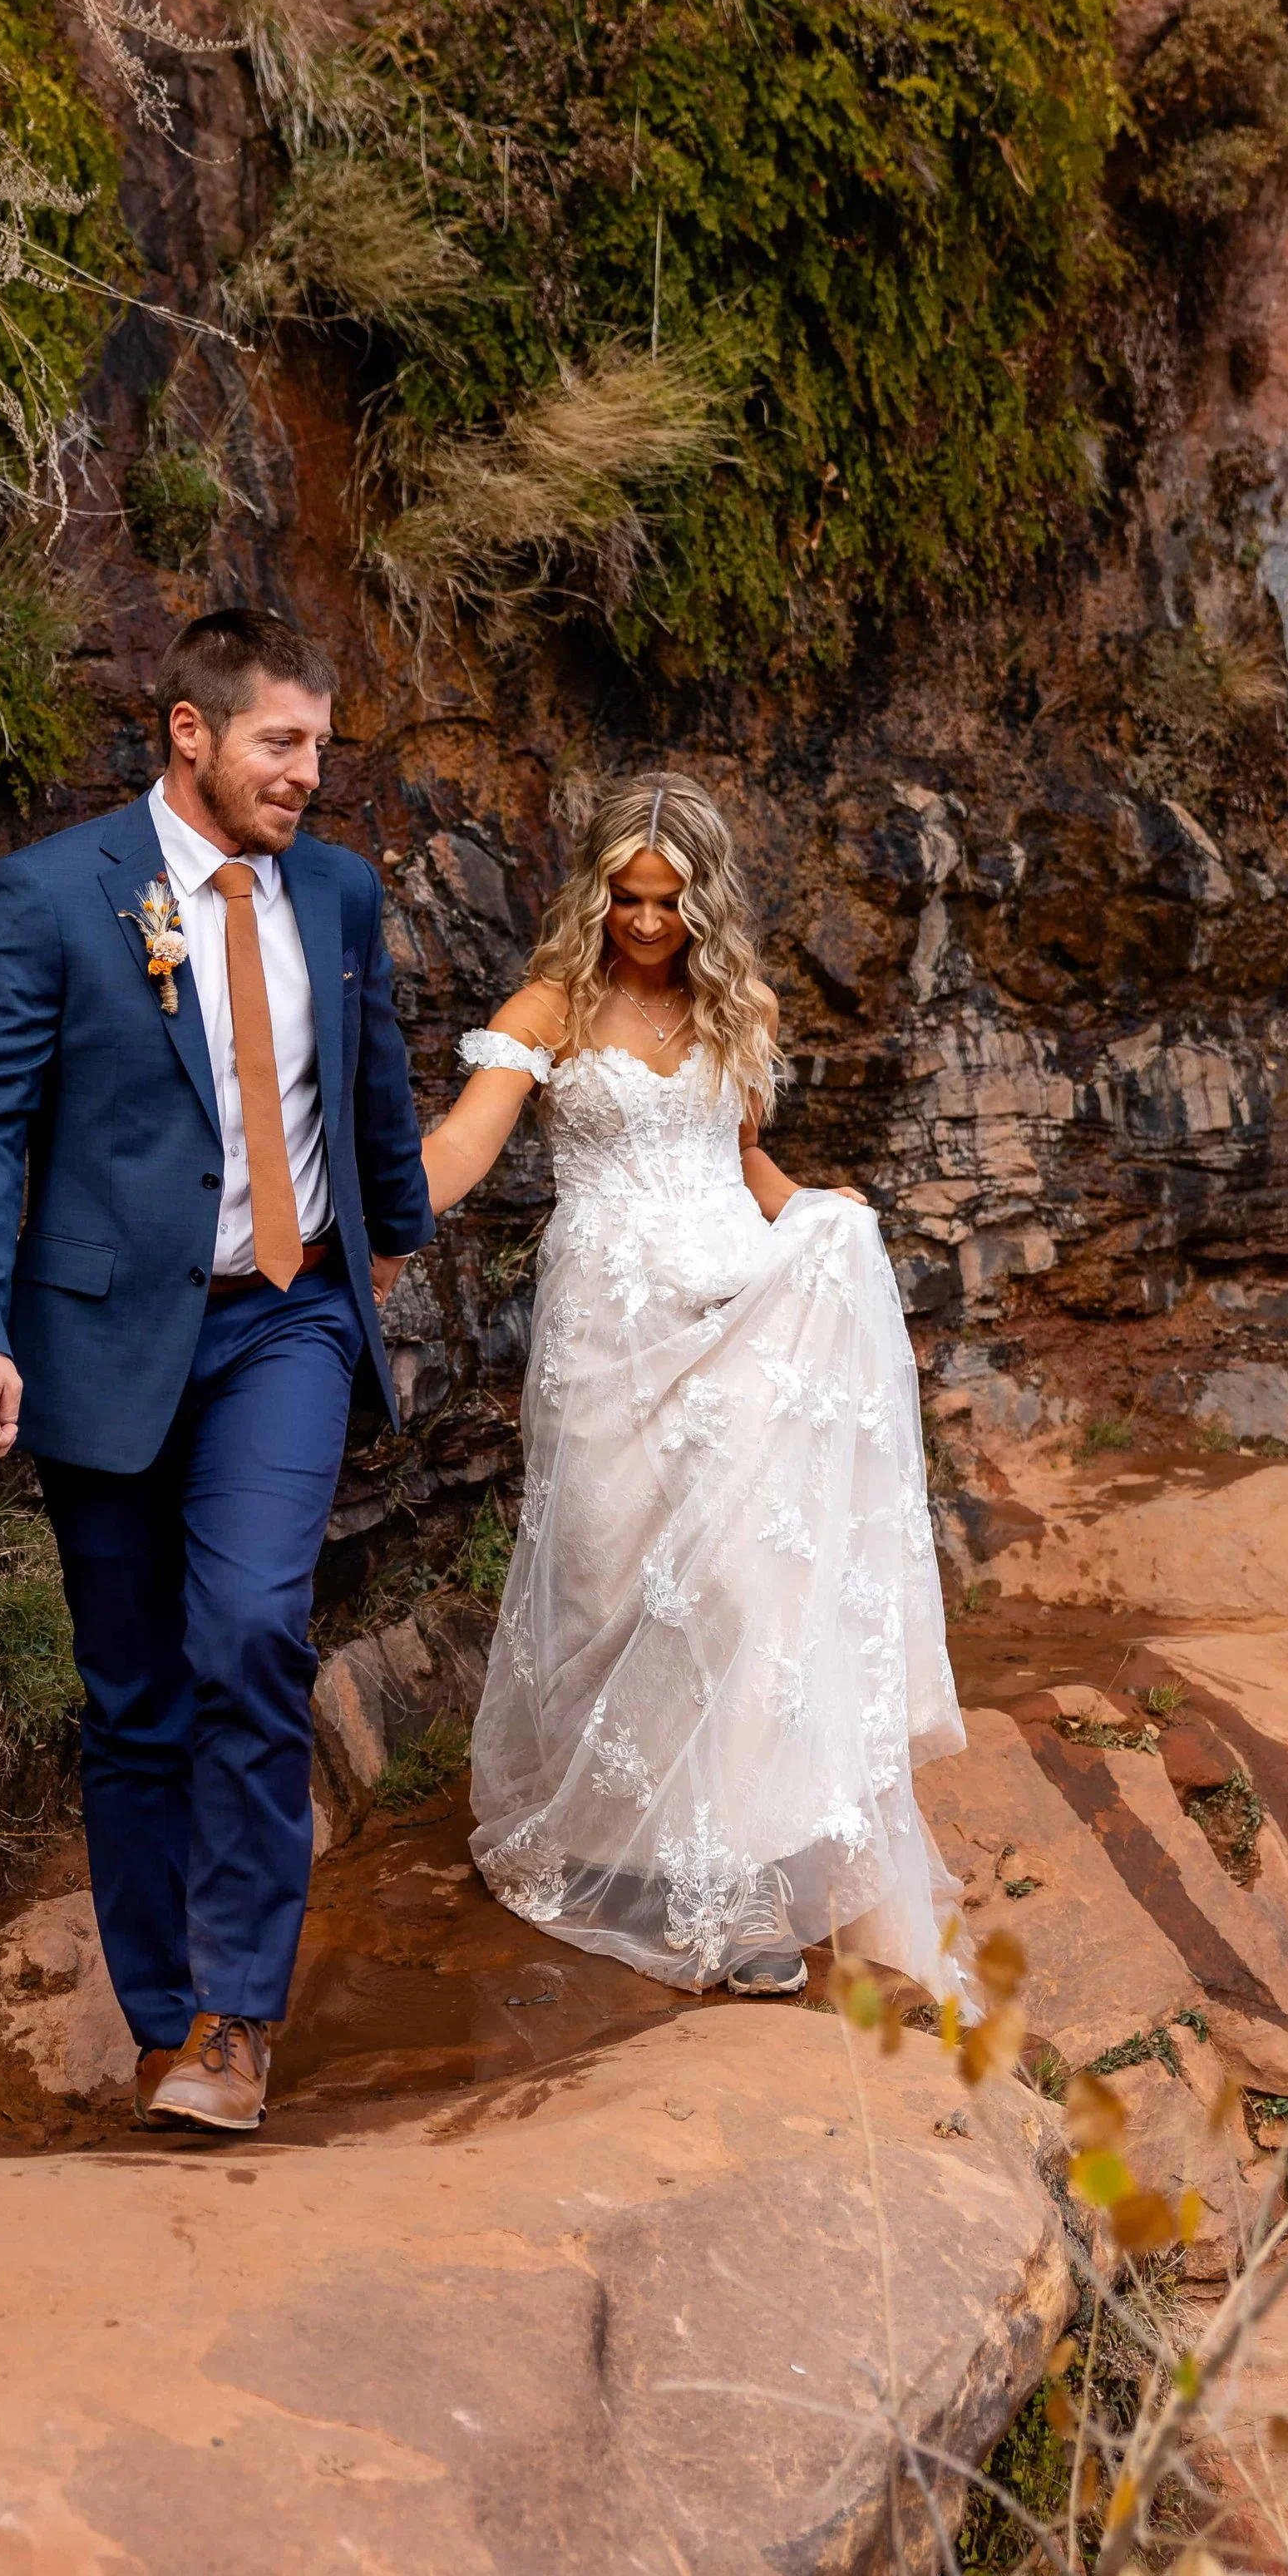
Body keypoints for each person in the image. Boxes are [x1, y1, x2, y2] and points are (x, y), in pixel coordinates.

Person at [0, 608, 432, 2135]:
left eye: (323, 747)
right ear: (191, 734)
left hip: (286, 1315)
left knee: (258, 1629)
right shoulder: (52, 896)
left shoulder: (336, 893)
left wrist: (390, 1234)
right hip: (103, 1340)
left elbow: (374, 1071)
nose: (309, 776)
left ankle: (234, 2018)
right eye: (284, 742)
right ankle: (161, 2020)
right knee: (134, 1692)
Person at [418, 773, 967, 2001]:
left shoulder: (742, 1006)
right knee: (613, 1576)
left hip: (736, 1312)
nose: (648, 923)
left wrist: (816, 1213)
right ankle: (634, 1845)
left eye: (670, 901)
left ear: (705, 899)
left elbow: (747, 1156)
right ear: (597, 887)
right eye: (626, 896)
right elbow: (464, 1143)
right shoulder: (550, 1005)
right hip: (609, 1332)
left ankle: (745, 1877)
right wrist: (368, 1217)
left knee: (733, 1586)